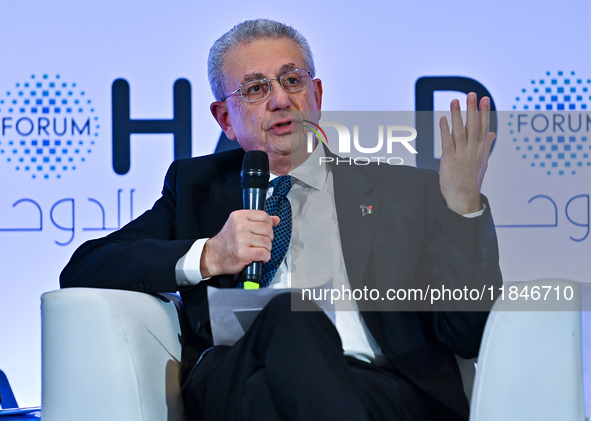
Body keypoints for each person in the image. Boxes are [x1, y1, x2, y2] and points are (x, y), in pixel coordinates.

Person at [60, 19, 502, 421]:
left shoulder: (406, 194)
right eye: (254, 88)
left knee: (273, 383)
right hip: (234, 375)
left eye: (292, 80)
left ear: (317, 96)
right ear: (224, 119)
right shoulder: (197, 189)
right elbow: (85, 266)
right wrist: (210, 255)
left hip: (375, 387)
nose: (279, 99)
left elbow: (466, 332)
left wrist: (463, 205)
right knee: (290, 317)